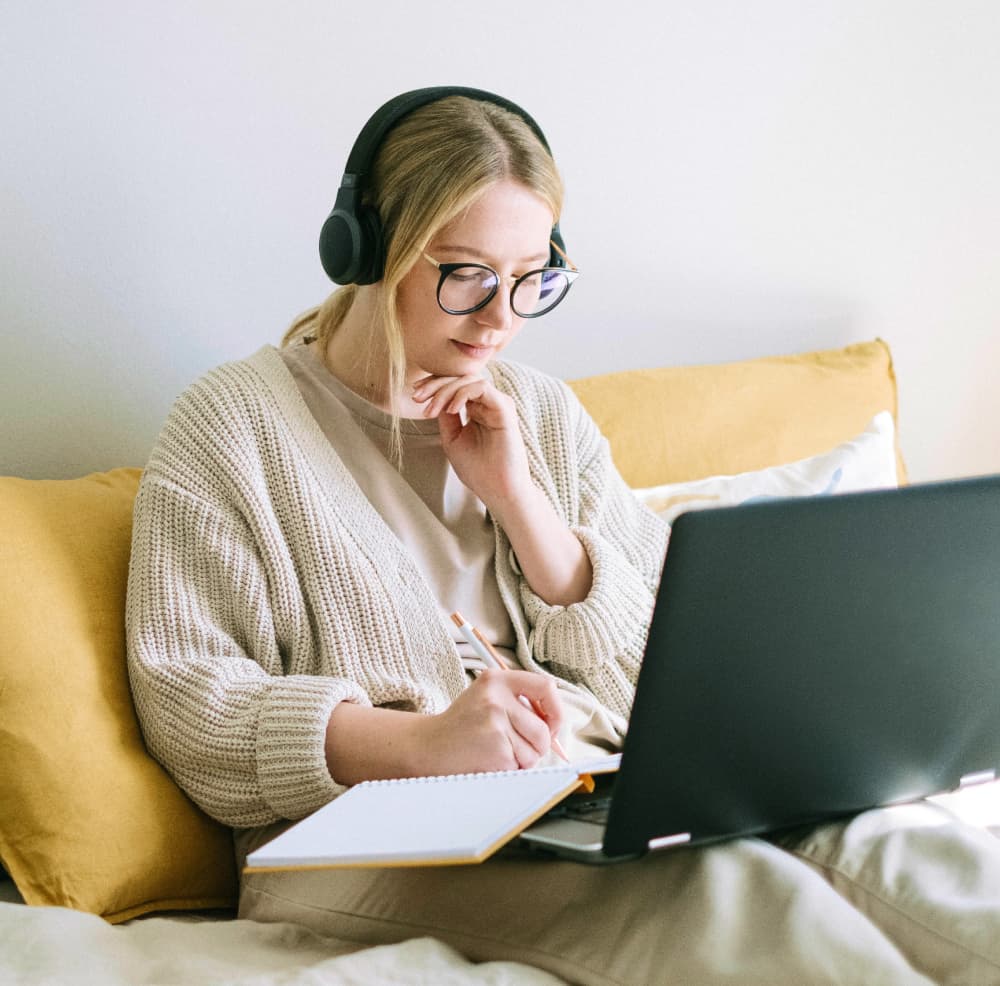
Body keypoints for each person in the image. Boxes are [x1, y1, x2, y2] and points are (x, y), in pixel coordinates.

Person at [126, 87, 1000, 985]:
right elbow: (192, 707)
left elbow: (671, 662)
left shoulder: (539, 412)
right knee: (739, 901)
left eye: (530, 277)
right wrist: (422, 746)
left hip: (586, 793)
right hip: (357, 842)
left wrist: (523, 506)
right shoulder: (231, 427)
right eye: (465, 274)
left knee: (898, 849)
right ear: (368, 247)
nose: (501, 316)